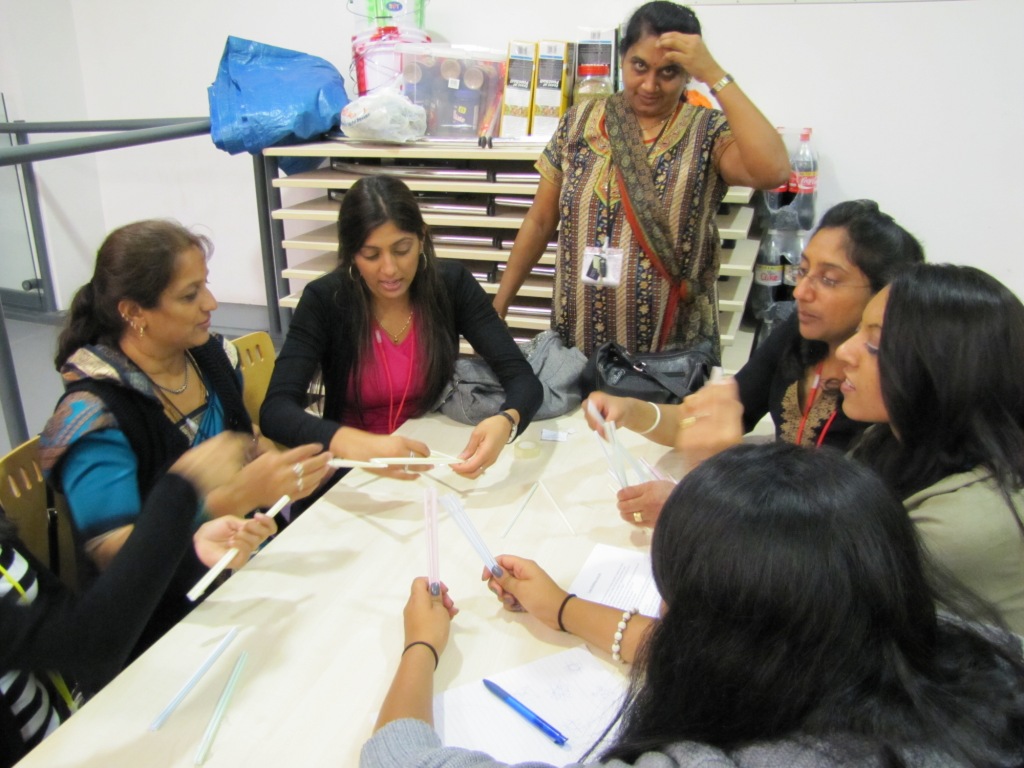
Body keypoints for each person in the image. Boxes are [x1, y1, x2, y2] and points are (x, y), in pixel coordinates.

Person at [363, 443, 1024, 767]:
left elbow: (402, 759)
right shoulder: (972, 656)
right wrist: (564, 608)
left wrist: (420, 646)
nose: (665, 621)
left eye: (674, 602)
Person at [39, 219, 331, 653]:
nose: (211, 303)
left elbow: (242, 438)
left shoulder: (209, 360)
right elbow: (116, 557)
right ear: (134, 312)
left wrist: (278, 462)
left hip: (241, 580)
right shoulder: (94, 418)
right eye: (190, 295)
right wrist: (232, 499)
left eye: (206, 286)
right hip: (162, 628)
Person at [586, 199, 924, 526]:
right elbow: (706, 421)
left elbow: (839, 529)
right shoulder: (799, 335)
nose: (800, 292)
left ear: (885, 295)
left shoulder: (887, 393)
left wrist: (699, 503)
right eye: (803, 272)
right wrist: (633, 411)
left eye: (829, 280)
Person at [492, 1, 789, 360]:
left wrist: (715, 74)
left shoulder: (707, 132)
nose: (650, 84)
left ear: (687, 75)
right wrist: (501, 303)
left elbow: (774, 171)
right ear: (622, 58)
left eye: (669, 72)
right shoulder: (579, 121)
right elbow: (540, 220)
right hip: (577, 343)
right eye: (640, 66)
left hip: (668, 352)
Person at [1, 432, 274, 768]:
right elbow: (92, 639)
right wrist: (184, 488)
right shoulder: (94, 419)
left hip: (74, 727)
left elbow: (58, 622)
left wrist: (191, 550)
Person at [260, 175, 543, 482]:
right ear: (352, 253)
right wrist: (354, 443)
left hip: (431, 459)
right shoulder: (326, 300)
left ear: (421, 238)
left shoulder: (450, 285)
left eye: (402, 249)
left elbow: (521, 377)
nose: (390, 269)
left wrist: (506, 421)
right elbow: (275, 411)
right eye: (371, 255)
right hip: (351, 473)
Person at [838, 263, 1024, 633]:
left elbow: (819, 597)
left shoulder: (958, 527)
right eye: (858, 331)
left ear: (941, 367)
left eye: (874, 344)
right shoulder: (886, 440)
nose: (845, 351)